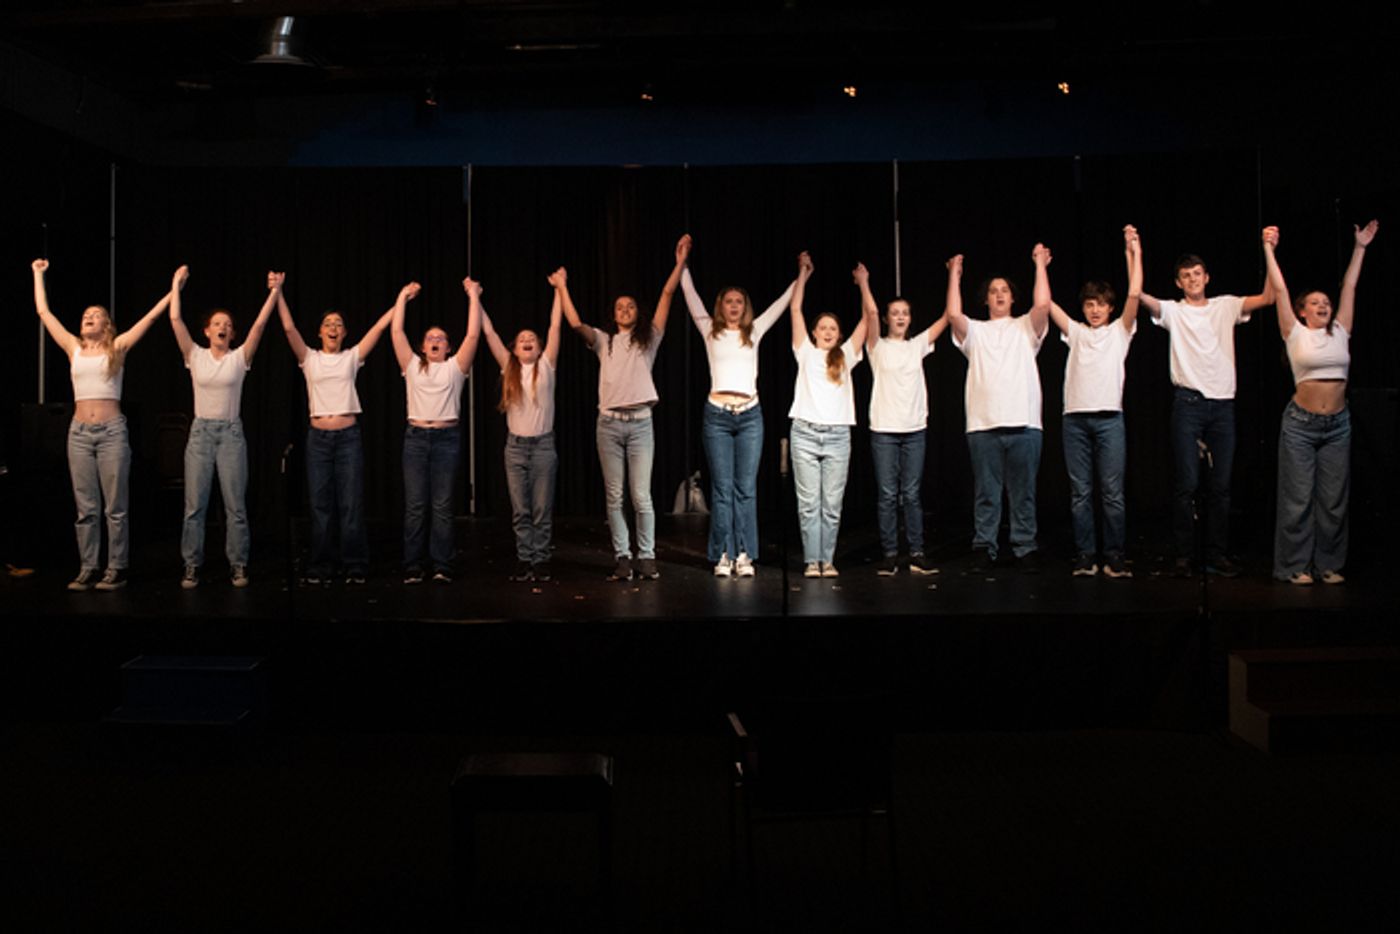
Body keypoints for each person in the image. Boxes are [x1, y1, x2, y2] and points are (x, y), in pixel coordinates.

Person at [32, 258, 180, 590]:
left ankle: (116, 567)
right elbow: (45, 314)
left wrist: (174, 289)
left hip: (112, 433)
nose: (88, 317)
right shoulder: (74, 348)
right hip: (80, 435)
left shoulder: (117, 347)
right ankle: (88, 567)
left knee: (115, 507)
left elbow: (152, 317)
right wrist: (38, 274)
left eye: (96, 315)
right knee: (86, 508)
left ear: (107, 324)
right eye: (86, 314)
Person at [558, 236, 690, 581]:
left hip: (641, 424)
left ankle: (646, 557)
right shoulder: (605, 340)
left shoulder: (650, 338)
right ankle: (623, 557)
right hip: (609, 425)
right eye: (620, 307)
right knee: (614, 496)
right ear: (613, 315)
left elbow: (667, 296)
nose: (626, 311)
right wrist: (562, 287)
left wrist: (679, 262)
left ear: (637, 312)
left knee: (641, 496)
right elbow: (575, 325)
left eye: (630, 306)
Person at [1140, 239, 1274, 577]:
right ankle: (1185, 555)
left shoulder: (1226, 306)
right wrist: (1134, 253)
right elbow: (1137, 296)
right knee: (1187, 483)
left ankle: (1216, 553)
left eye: (1197, 273)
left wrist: (1269, 249)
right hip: (1188, 404)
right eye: (1186, 275)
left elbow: (1270, 297)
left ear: (1207, 277)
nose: (1193, 279)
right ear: (1178, 282)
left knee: (1221, 486)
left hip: (1223, 406)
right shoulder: (1174, 310)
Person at [1261, 220, 1377, 584]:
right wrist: (1268, 249)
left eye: (1326, 302)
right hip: (1301, 424)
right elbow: (1279, 289)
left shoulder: (1341, 331)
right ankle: (1295, 566)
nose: (1324, 305)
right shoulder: (1294, 333)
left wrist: (1360, 248)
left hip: (1337, 424)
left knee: (1332, 501)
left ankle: (1327, 564)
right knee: (1297, 500)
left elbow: (1351, 286)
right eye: (1316, 302)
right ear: (1302, 311)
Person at [681, 241, 798, 577]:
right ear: (721, 306)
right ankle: (722, 554)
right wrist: (683, 264)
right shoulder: (709, 329)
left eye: (739, 302)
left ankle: (744, 553)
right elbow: (689, 296)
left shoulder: (754, 330)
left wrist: (801, 275)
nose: (734, 306)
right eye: (729, 301)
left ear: (745, 307)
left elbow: (782, 304)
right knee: (722, 489)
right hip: (717, 415)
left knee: (745, 488)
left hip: (749, 416)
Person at [169, 268, 281, 588]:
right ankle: (191, 564)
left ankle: (239, 564)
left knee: (235, 505)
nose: (223, 327)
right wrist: (176, 286)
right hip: (201, 434)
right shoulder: (195, 355)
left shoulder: (239, 358)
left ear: (232, 335)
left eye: (228, 325)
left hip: (231, 434)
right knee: (195, 506)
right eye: (217, 324)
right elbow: (175, 321)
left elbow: (260, 325)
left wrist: (274, 291)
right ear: (206, 331)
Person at [277, 281, 395, 585]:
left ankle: (355, 563)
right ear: (320, 333)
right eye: (327, 324)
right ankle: (321, 564)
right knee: (319, 505)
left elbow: (379, 329)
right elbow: (289, 328)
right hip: (318, 440)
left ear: (343, 334)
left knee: (351, 503)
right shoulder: (309, 358)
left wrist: (402, 299)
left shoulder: (351, 358)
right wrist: (277, 292)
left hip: (347, 439)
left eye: (338, 324)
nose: (333, 327)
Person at [945, 246, 1052, 569]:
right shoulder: (976, 331)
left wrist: (1038, 265)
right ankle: (984, 544)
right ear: (986, 300)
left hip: (1024, 423)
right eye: (993, 291)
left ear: (1013, 298)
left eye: (1004, 290)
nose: (999, 294)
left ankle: (1024, 545)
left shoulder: (1025, 327)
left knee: (1023, 493)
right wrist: (954, 275)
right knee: (987, 493)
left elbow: (1044, 304)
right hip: (983, 425)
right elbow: (952, 315)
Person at [1047, 225, 1142, 578]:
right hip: (1075, 420)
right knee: (1081, 493)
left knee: (1113, 493)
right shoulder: (1074, 332)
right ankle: (1086, 555)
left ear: (1110, 307)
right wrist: (1041, 265)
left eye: (1101, 304)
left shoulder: (1120, 331)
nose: (1095, 309)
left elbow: (1135, 293)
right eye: (1090, 304)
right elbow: (1046, 304)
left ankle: (1115, 556)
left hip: (1109, 420)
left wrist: (1133, 251)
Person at [859, 261, 949, 576]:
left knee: (911, 494)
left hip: (914, 430)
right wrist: (864, 283)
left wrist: (953, 275)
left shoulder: (917, 345)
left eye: (905, 313)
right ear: (887, 318)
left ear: (910, 319)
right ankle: (889, 554)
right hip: (884, 430)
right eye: (894, 312)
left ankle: (916, 552)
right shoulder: (876, 346)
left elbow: (948, 317)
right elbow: (869, 315)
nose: (900, 317)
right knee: (886, 495)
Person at [391, 278, 481, 585]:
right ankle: (413, 565)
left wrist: (472, 296)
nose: (435, 341)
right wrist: (403, 296)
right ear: (422, 346)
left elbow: (473, 333)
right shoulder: (413, 366)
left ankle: (442, 564)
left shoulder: (456, 368)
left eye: (440, 338)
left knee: (442, 505)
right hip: (416, 438)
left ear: (447, 346)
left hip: (446, 439)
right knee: (416, 505)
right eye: (430, 337)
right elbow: (396, 332)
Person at [787, 252, 868, 577]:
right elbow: (795, 309)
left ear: (838, 333)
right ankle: (812, 561)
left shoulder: (847, 355)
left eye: (833, 327)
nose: (828, 331)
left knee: (831, 505)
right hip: (805, 433)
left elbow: (869, 318)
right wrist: (803, 273)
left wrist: (863, 284)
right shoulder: (804, 351)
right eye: (822, 327)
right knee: (809, 504)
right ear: (815, 331)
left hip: (837, 436)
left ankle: (827, 560)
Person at [481, 274, 564, 582]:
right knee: (521, 511)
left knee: (541, 509)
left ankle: (540, 559)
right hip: (515, 448)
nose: (527, 340)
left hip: (543, 447)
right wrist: (474, 298)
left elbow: (556, 326)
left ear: (539, 346)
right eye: (521, 339)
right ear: (514, 348)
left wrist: (558, 290)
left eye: (532, 338)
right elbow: (487, 332)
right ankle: (524, 558)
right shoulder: (509, 367)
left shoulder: (547, 365)